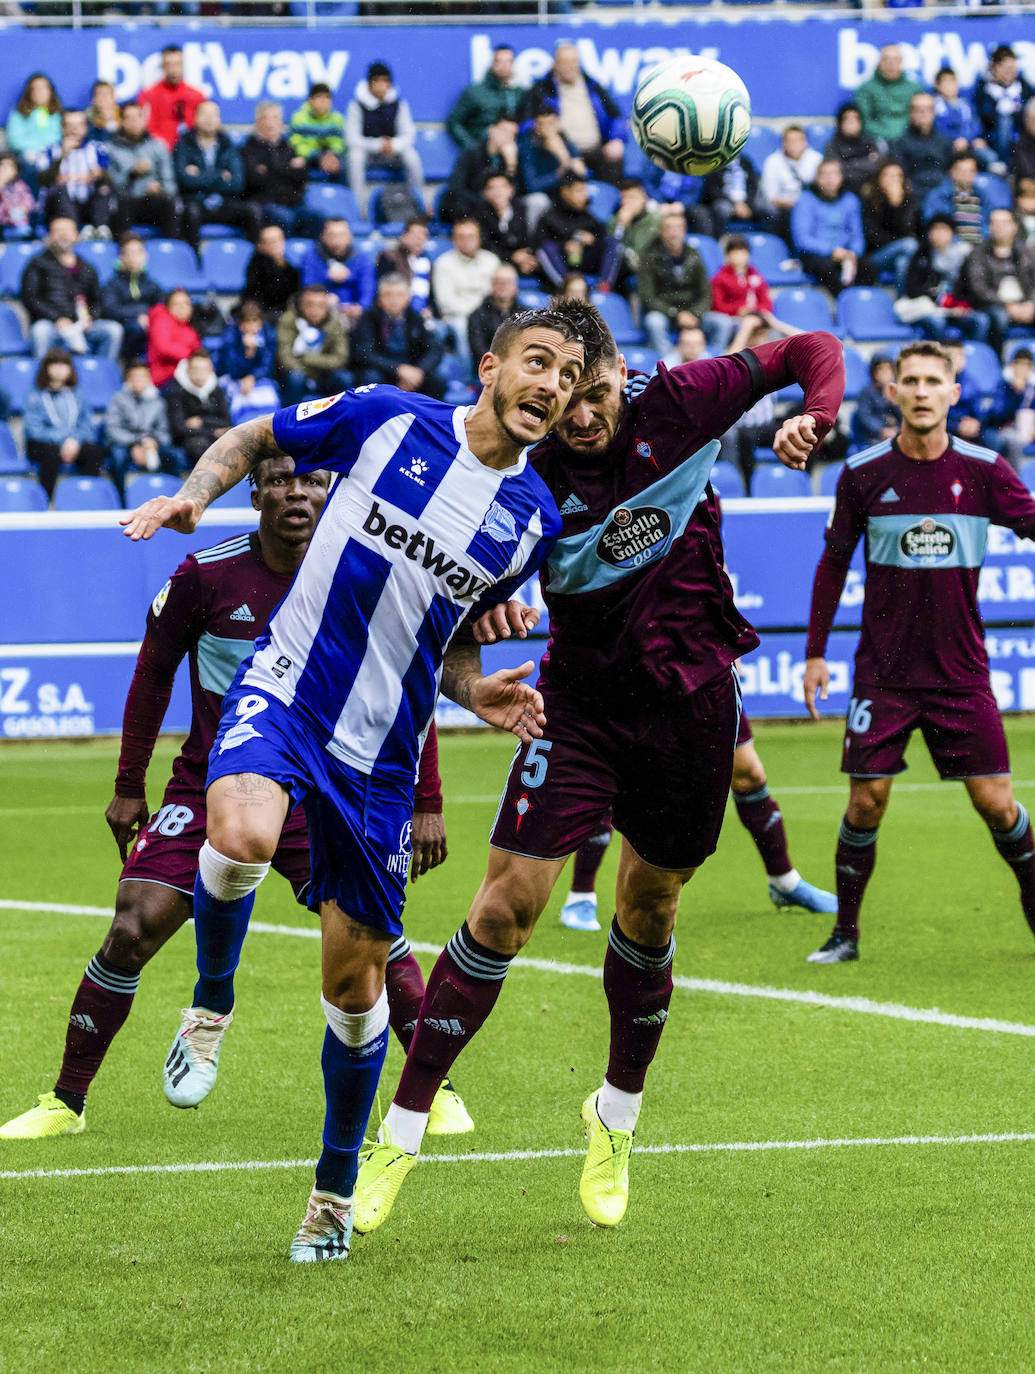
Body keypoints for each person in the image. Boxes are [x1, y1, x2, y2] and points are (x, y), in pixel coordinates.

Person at [118, 300, 595, 1263]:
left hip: (380, 761)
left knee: (355, 988)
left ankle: (331, 1197)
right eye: (536, 362)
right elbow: (259, 432)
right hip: (288, 687)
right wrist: (193, 496)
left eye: (569, 377)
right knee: (242, 832)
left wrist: (476, 690)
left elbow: (447, 641)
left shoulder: (530, 523)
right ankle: (212, 1004)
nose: (551, 385)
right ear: (491, 364)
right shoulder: (388, 417)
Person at [352, 323, 845, 1237]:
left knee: (648, 911)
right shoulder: (518, 476)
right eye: (562, 391)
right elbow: (444, 622)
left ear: (622, 376)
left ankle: (614, 1116)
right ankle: (401, 1131)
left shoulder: (684, 400)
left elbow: (807, 346)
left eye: (594, 390)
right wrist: (480, 640)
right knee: (501, 910)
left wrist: (815, 414)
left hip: (692, 706)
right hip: (575, 709)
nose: (576, 413)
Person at [0, 458, 462, 1142]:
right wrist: (130, 785)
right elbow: (153, 674)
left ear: (330, 491)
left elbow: (406, 689)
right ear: (254, 493)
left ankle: (435, 1091)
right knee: (132, 926)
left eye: (310, 480)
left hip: (325, 790)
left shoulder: (362, 577)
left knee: (373, 940)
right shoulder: (204, 576)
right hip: (213, 779)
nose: (296, 493)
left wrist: (426, 798)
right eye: (279, 480)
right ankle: (66, 1102)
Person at [803, 340, 1035, 964]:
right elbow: (832, 563)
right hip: (884, 676)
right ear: (893, 391)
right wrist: (815, 652)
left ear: (954, 393)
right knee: (865, 801)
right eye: (912, 380)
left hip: (962, 674)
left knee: (997, 803)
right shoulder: (863, 473)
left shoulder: (985, 469)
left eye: (936, 381)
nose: (924, 390)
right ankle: (845, 934)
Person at [557, 707, 838, 932]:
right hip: (635, 671)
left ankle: (784, 882)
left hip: (703, 670)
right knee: (617, 770)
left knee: (749, 773)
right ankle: (581, 895)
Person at [521, 41, 625, 185]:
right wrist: (547, 132)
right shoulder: (541, 90)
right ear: (555, 64)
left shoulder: (593, 86)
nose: (570, 66)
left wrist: (617, 139)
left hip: (596, 148)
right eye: (564, 62)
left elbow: (616, 116)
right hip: (562, 151)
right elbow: (526, 123)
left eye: (573, 61)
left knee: (615, 156)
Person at [21, 216, 123, 361]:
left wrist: (90, 318)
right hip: (52, 324)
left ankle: (101, 375)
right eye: (58, 231)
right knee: (40, 331)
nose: (63, 235)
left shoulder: (88, 267)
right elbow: (30, 298)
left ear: (76, 235)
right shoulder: (37, 264)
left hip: (81, 324)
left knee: (113, 330)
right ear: (49, 236)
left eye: (68, 231)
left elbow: (97, 300)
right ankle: (42, 380)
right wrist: (56, 318)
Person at [344, 61, 426, 220]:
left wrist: (394, 145)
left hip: (392, 153)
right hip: (369, 153)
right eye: (377, 82)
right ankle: (358, 208)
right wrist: (378, 144)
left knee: (412, 156)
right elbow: (352, 138)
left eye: (385, 82)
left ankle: (420, 204)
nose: (381, 86)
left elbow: (408, 135)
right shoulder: (356, 105)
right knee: (355, 156)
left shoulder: (399, 104)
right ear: (369, 84)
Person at [174, 100, 260, 249]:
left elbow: (237, 183)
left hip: (225, 204)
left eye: (213, 115)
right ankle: (194, 263)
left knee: (252, 210)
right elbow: (185, 181)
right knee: (190, 212)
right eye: (204, 114)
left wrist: (200, 176)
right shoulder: (183, 145)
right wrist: (219, 175)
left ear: (219, 120)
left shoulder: (229, 145)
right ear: (195, 118)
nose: (209, 119)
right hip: (197, 203)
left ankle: (254, 261)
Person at [24, 347, 106, 498]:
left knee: (93, 451)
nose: (59, 369)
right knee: (51, 453)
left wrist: (75, 440)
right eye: (54, 364)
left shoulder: (78, 394)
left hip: (74, 442)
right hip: (46, 444)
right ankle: (46, 500)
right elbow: (34, 429)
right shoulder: (35, 395)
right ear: (46, 368)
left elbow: (87, 424)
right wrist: (64, 440)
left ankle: (89, 497)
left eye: (64, 365)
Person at [350, 272, 446, 399]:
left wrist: (419, 372)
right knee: (371, 379)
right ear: (379, 298)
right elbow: (364, 354)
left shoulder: (415, 318)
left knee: (438, 381)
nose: (394, 300)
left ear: (408, 298)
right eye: (388, 295)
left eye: (399, 295)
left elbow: (435, 349)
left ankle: (429, 418)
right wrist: (398, 369)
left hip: (412, 371)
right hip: (383, 371)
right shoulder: (368, 318)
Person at [791, 159, 876, 296]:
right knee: (825, 268)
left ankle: (857, 301)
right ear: (817, 179)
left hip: (845, 254)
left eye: (834, 174)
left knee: (869, 267)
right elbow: (802, 239)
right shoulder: (805, 200)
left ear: (841, 178)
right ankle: (844, 300)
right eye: (824, 174)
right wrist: (831, 251)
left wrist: (854, 252)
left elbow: (857, 233)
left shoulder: (850, 200)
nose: (829, 179)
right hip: (818, 254)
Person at [897, 214, 987, 342]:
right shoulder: (921, 255)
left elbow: (969, 288)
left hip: (955, 308)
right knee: (937, 322)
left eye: (944, 229)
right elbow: (913, 289)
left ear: (952, 233)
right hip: (931, 307)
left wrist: (961, 305)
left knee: (981, 320)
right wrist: (938, 300)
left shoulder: (962, 257)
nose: (939, 234)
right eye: (935, 229)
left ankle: (974, 357)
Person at [957, 206, 1035, 353]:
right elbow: (978, 289)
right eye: (994, 223)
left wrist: (1031, 304)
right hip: (992, 305)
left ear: (1014, 226)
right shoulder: (978, 252)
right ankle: (996, 364)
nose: (998, 227)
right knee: (999, 318)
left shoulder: (1026, 252)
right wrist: (1008, 306)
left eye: (1003, 223)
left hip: (1024, 303)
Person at [638, 205, 712, 356]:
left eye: (678, 228)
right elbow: (647, 296)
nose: (674, 233)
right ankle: (668, 367)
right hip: (663, 311)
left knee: (722, 323)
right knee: (654, 322)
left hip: (692, 311)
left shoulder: (694, 254)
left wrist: (695, 313)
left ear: (684, 231)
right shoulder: (649, 255)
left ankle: (712, 363)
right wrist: (675, 314)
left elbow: (706, 292)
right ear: (661, 231)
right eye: (669, 228)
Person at [431, 217, 501, 374]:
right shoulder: (443, 263)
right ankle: (470, 376)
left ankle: (501, 373)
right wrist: (476, 315)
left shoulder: (491, 260)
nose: (466, 241)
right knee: (463, 326)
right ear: (454, 240)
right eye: (460, 237)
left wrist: (483, 314)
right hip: (458, 315)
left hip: (488, 312)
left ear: (479, 239)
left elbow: (495, 294)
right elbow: (446, 302)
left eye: (471, 237)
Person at [532, 167, 620, 293]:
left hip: (587, 264)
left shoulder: (590, 217)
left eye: (584, 190)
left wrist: (592, 241)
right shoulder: (549, 217)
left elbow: (603, 240)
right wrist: (564, 246)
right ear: (565, 192)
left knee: (613, 242)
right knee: (546, 248)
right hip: (563, 268)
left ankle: (604, 288)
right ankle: (566, 289)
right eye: (579, 191)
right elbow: (539, 247)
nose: (584, 196)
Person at [37, 108, 121, 237]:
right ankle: (73, 231)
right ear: (63, 128)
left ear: (85, 128)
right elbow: (42, 181)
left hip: (88, 202)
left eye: (78, 125)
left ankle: (100, 229)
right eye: (70, 125)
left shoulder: (98, 149)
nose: (74, 129)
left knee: (104, 188)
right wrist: (61, 157)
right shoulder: (49, 150)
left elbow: (111, 177)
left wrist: (99, 174)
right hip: (59, 207)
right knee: (60, 190)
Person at [105, 99, 179, 239]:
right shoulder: (111, 148)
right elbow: (114, 185)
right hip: (127, 205)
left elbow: (170, 184)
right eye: (129, 118)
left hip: (153, 202)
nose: (134, 122)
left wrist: (160, 189)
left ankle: (170, 249)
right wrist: (132, 173)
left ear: (145, 120)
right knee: (122, 201)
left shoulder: (158, 146)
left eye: (138, 117)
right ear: (121, 122)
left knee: (169, 203)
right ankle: (125, 252)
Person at [104, 357, 179, 490]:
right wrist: (136, 442)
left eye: (142, 377)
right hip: (125, 444)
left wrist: (153, 442)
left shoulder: (158, 401)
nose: (138, 380)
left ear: (149, 379)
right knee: (117, 458)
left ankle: (173, 496)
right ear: (127, 379)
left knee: (174, 456)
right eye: (134, 377)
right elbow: (113, 430)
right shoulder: (117, 399)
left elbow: (164, 432)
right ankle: (121, 500)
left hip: (151, 444)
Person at [275, 284, 351, 406]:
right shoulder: (289, 319)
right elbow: (285, 356)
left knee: (345, 378)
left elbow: (340, 358)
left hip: (324, 374)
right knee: (296, 378)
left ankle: (339, 419)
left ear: (327, 307)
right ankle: (292, 420)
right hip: (298, 374)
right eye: (309, 305)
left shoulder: (334, 321)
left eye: (321, 305)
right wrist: (303, 371)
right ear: (301, 304)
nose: (315, 310)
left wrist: (307, 358)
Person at [517, 97, 586, 229]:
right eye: (542, 124)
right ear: (536, 126)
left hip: (561, 194)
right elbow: (531, 185)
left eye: (551, 123)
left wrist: (563, 155)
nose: (547, 129)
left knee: (583, 194)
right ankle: (533, 245)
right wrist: (560, 172)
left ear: (558, 123)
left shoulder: (564, 141)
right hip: (534, 198)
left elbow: (582, 173)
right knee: (539, 201)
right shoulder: (528, 145)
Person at [241, 101, 308, 236]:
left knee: (317, 218)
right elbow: (254, 180)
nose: (271, 123)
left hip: (292, 203)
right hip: (265, 204)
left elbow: (302, 176)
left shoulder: (288, 148)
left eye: (275, 118)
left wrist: (270, 169)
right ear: (258, 122)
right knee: (284, 218)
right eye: (266, 118)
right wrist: (288, 168)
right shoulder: (248, 149)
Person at [440, 115, 520, 226]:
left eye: (513, 135)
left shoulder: (511, 158)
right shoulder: (472, 151)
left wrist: (511, 165)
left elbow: (515, 192)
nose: (507, 137)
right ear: (492, 130)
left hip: (494, 207)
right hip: (471, 204)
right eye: (504, 131)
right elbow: (456, 185)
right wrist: (483, 200)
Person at [446, 44, 525, 150]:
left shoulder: (520, 93)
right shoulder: (475, 92)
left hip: (515, 147)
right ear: (492, 63)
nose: (504, 65)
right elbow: (454, 122)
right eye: (499, 61)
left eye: (508, 61)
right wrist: (471, 147)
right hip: (483, 150)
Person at [100, 233, 165, 362]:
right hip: (126, 328)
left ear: (145, 256)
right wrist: (138, 315)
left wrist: (149, 317)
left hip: (147, 325)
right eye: (129, 253)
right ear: (121, 257)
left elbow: (161, 308)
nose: (133, 257)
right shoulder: (112, 284)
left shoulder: (153, 286)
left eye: (138, 252)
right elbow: (110, 309)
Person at [299, 217, 376, 325]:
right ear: (323, 236)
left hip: (355, 314)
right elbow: (307, 286)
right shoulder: (311, 257)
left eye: (341, 235)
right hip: (323, 312)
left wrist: (360, 306)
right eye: (332, 235)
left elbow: (368, 289)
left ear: (350, 236)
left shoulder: (362, 258)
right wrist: (327, 278)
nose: (337, 241)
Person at [163, 349, 232, 468]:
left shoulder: (217, 389)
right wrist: (212, 432)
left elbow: (227, 422)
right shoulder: (175, 390)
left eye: (205, 369)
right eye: (196, 369)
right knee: (200, 444)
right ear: (188, 370)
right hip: (189, 440)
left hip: (209, 436)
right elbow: (178, 428)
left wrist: (202, 421)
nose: (200, 374)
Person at [708, 235, 777, 353]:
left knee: (772, 328)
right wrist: (739, 310)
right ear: (727, 256)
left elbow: (766, 302)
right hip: (734, 319)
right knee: (746, 325)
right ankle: (725, 355)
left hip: (757, 315)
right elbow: (718, 306)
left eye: (743, 253)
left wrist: (754, 310)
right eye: (736, 253)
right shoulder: (720, 279)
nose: (740, 257)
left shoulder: (756, 276)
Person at [861, 160, 921, 292]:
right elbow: (873, 237)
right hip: (877, 256)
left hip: (904, 253)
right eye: (888, 175)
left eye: (897, 176)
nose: (892, 180)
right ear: (879, 178)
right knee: (909, 245)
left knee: (902, 261)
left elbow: (910, 229)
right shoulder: (869, 201)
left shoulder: (910, 201)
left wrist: (897, 205)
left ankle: (901, 302)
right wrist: (899, 243)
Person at [219, 299, 280, 421]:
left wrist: (252, 377)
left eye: (255, 321)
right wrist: (247, 351)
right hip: (234, 379)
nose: (252, 326)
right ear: (240, 324)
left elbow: (267, 365)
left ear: (261, 322)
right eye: (247, 322)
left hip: (259, 379)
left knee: (269, 397)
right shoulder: (231, 335)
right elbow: (232, 368)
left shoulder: (268, 334)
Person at [974, 45, 1034, 166]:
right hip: (994, 140)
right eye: (1006, 68)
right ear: (994, 67)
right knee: (1004, 119)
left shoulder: (1024, 88)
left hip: (1024, 139)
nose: (1010, 72)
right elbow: (982, 120)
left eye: (1013, 68)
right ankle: (1005, 164)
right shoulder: (984, 92)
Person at [759, 125, 822, 240]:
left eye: (798, 140)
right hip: (784, 208)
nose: (795, 145)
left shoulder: (817, 159)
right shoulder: (772, 161)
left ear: (805, 142)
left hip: (810, 206)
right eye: (790, 141)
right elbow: (771, 197)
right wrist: (794, 204)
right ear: (783, 143)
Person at [890, 93, 954, 203]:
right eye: (918, 110)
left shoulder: (946, 143)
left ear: (934, 112)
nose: (923, 113)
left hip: (943, 197)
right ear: (911, 113)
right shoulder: (900, 144)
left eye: (928, 109)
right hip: (913, 198)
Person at [853, 44, 922, 146]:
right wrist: (888, 135)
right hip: (876, 141)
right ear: (879, 62)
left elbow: (921, 117)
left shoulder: (914, 88)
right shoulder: (866, 89)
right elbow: (863, 120)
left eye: (895, 59)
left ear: (901, 63)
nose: (891, 63)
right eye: (886, 59)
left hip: (909, 141)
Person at [141, 44, 205, 151]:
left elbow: (202, 129)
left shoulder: (196, 96)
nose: (173, 69)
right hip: (159, 152)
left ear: (183, 65)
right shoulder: (149, 95)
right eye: (169, 65)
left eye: (177, 64)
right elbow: (146, 129)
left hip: (190, 152)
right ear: (162, 66)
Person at [922, 151, 993, 247]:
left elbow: (988, 227)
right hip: (950, 247)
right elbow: (934, 230)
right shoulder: (938, 196)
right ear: (952, 172)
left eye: (970, 171)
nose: (966, 175)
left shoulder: (983, 196)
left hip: (978, 248)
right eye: (961, 171)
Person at [475, 171, 538, 280]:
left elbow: (530, 238)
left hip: (523, 260)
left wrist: (525, 257)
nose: (498, 192)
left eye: (503, 187)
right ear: (486, 193)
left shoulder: (522, 210)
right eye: (492, 188)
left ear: (511, 190)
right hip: (498, 262)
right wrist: (512, 256)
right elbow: (486, 246)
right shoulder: (480, 215)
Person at [986, 346, 1035, 472]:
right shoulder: (1003, 385)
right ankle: (1016, 483)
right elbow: (997, 414)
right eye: (1019, 365)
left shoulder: (1031, 390)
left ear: (1031, 368)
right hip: (1002, 429)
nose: (1022, 369)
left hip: (1025, 431)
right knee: (1015, 440)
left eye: (1026, 366)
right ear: (1012, 365)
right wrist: (1016, 393)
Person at [375, 216, 434, 314]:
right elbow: (386, 292)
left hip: (424, 314)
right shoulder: (388, 257)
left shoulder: (427, 262)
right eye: (415, 235)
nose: (419, 239)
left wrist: (430, 310)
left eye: (424, 235)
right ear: (403, 236)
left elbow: (432, 296)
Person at [288, 82, 346, 183]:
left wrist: (332, 155)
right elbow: (296, 144)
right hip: (309, 157)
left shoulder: (337, 118)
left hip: (330, 157)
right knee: (297, 165)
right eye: (319, 98)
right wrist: (317, 156)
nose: (323, 102)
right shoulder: (299, 118)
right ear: (310, 100)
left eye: (327, 98)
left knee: (345, 164)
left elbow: (339, 142)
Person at [5, 73, 62, 174]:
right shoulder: (18, 113)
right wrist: (35, 151)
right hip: (28, 155)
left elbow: (61, 136)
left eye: (44, 88)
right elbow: (15, 140)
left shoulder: (58, 113)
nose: (40, 92)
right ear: (29, 92)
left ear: (51, 91)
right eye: (36, 89)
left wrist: (47, 151)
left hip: (54, 153)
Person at [467, 261, 522, 365]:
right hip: (491, 368)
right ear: (492, 286)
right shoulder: (477, 315)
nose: (503, 286)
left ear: (516, 287)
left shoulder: (525, 314)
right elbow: (479, 350)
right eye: (498, 282)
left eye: (507, 282)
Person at [243, 223, 300, 319]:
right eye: (270, 241)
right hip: (265, 313)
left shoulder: (289, 267)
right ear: (261, 246)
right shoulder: (257, 266)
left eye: (279, 240)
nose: (276, 244)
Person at [147, 288, 201, 389]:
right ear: (168, 307)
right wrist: (190, 355)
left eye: (186, 304)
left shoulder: (191, 328)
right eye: (176, 304)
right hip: (164, 379)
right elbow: (164, 347)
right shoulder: (161, 320)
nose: (181, 308)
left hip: (186, 377)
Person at [606, 178, 660, 278]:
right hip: (626, 270)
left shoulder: (657, 218)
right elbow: (612, 252)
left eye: (631, 197)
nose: (627, 202)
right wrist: (621, 226)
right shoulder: (615, 221)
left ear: (643, 197)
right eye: (623, 198)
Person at [824, 103, 881, 197]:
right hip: (842, 192)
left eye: (855, 118)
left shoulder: (870, 142)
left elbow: (876, 167)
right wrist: (864, 162)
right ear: (840, 122)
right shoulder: (832, 145)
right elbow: (836, 172)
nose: (851, 122)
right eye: (847, 118)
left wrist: (848, 163)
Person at [932, 67, 987, 161]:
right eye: (945, 82)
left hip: (968, 145)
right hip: (947, 147)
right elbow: (938, 130)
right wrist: (954, 141)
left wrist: (970, 139)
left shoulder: (966, 105)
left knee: (987, 154)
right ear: (937, 86)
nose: (950, 86)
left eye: (953, 82)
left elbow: (975, 126)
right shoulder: (934, 106)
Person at [850, 353, 900, 448]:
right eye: (881, 370)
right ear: (873, 372)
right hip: (873, 437)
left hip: (895, 433)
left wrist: (892, 399)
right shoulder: (866, 392)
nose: (885, 374)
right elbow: (865, 417)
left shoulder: (896, 391)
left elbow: (901, 415)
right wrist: (882, 430)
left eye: (888, 370)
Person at [0, 152, 37, 237]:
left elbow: (29, 202)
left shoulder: (21, 186)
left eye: (9, 166)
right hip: (2, 222)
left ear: (16, 170)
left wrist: (24, 209)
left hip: (18, 221)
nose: (5, 169)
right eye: (2, 165)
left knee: (23, 228)